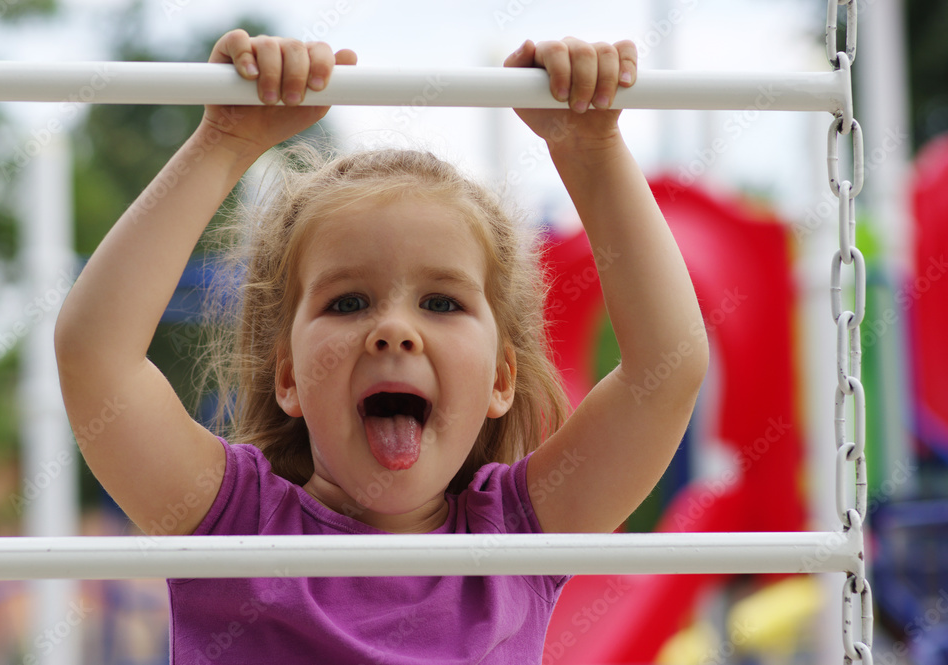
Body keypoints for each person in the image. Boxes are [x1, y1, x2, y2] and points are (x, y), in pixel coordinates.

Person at [55, 28, 708, 664]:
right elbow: (96, 358)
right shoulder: (233, 523)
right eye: (347, 302)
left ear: (501, 379)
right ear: (288, 373)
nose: (394, 330)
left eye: (441, 303)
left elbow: (666, 367)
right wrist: (223, 142)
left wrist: (592, 151)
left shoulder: (518, 533)